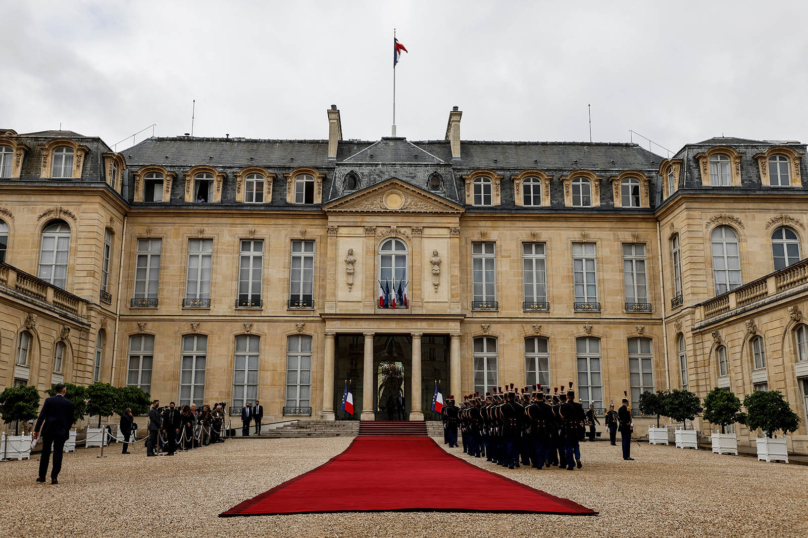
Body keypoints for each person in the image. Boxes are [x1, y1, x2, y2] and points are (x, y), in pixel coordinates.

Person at [33, 383, 75, 484]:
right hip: (61, 431)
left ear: (55, 391)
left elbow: (42, 416)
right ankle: (54, 477)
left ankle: (42, 476)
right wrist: (66, 429)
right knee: (58, 453)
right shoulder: (69, 403)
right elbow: (71, 420)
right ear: (64, 391)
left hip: (48, 430)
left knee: (45, 453)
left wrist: (36, 429)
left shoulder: (49, 400)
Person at [618, 395, 634, 461]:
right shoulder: (626, 409)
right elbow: (625, 418)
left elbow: (619, 418)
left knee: (624, 441)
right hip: (626, 427)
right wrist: (627, 422)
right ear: (626, 402)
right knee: (626, 442)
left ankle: (625, 455)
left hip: (622, 427)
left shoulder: (620, 409)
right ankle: (627, 456)